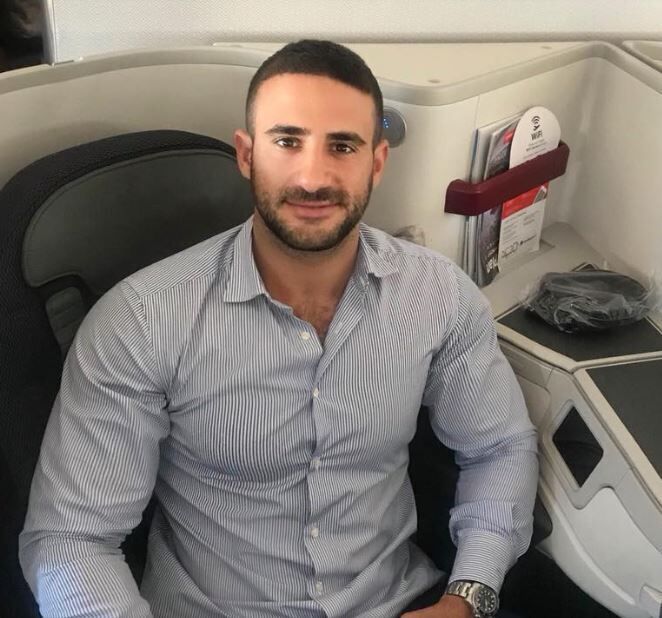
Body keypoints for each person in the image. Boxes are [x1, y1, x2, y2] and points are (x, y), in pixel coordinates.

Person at [19, 40, 538, 618]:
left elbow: (500, 449)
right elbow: (70, 540)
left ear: (376, 162)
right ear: (247, 155)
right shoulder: (142, 320)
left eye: (342, 146)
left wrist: (467, 597)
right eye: (287, 141)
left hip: (397, 601)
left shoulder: (437, 295)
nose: (312, 177)